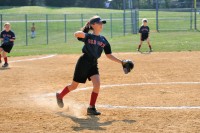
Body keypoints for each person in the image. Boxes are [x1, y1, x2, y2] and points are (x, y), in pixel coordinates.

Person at [56, 16, 128, 115]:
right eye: (99, 23)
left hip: (93, 63)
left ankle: (91, 108)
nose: (101, 24)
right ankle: (60, 96)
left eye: (102, 23)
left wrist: (122, 62)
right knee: (74, 86)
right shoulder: (89, 36)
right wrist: (80, 33)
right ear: (93, 25)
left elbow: (109, 55)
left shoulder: (103, 40)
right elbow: (77, 34)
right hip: (84, 62)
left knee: (97, 84)